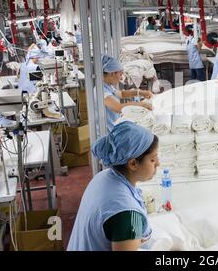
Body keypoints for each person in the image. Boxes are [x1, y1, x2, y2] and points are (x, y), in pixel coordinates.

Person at [68, 121, 160, 251]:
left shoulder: (104, 176)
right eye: (153, 159)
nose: (158, 163)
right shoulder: (128, 214)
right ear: (133, 163)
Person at [101, 55, 153, 133]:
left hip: (115, 127)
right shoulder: (102, 91)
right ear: (111, 73)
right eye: (120, 74)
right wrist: (141, 104)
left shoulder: (108, 86)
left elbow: (121, 94)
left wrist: (140, 92)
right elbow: (118, 107)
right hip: (109, 133)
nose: (121, 78)